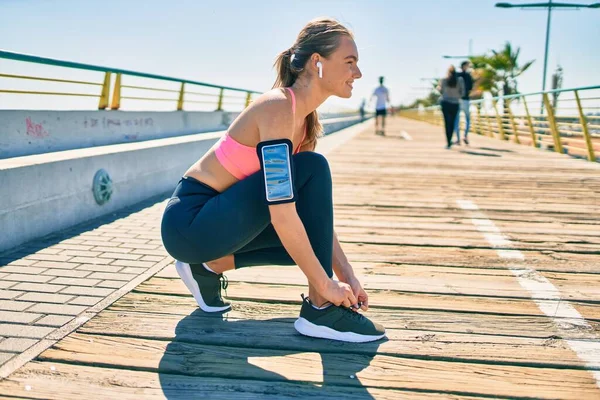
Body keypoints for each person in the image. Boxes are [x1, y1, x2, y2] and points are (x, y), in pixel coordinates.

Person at [160, 17, 385, 343]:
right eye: (350, 62)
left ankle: (211, 265)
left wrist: (347, 277)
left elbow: (316, 221)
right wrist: (326, 286)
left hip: (216, 228)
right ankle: (320, 311)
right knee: (312, 168)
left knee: (309, 208)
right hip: (191, 222)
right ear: (317, 62)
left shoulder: (304, 124)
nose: (358, 73)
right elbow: (281, 212)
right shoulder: (278, 109)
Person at [438, 65, 465, 149]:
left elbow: (440, 90)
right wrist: (457, 96)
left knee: (447, 122)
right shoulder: (460, 80)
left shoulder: (443, 80)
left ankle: (448, 141)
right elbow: (463, 92)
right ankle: (450, 138)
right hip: (455, 103)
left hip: (445, 102)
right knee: (453, 123)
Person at [453, 61, 474, 145]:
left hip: (457, 100)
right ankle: (465, 135)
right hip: (465, 99)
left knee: (456, 119)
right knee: (467, 118)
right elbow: (470, 87)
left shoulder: (456, 75)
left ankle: (458, 139)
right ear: (465, 66)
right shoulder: (468, 76)